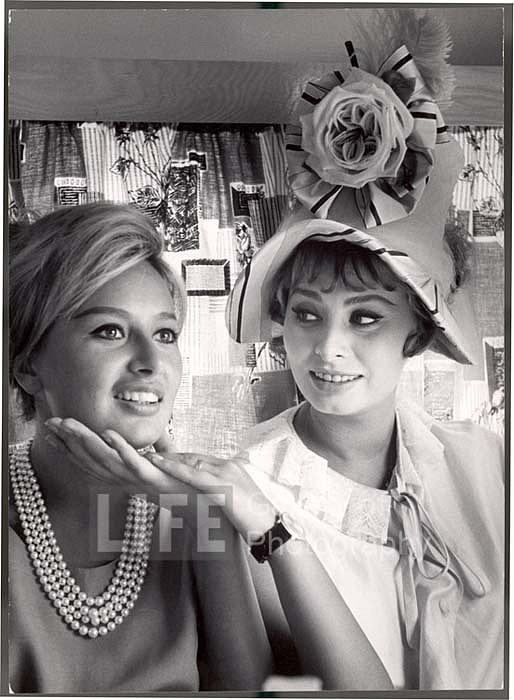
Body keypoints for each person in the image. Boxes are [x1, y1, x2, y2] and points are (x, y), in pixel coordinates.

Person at [38, 9, 504, 691]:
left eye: (366, 318)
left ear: (418, 331)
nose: (327, 349)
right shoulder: (236, 492)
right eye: (307, 314)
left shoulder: (489, 464)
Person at [9, 202, 392, 692]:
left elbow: (264, 691)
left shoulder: (196, 508)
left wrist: (204, 518)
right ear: (28, 366)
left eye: (165, 334)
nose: (152, 361)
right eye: (110, 330)